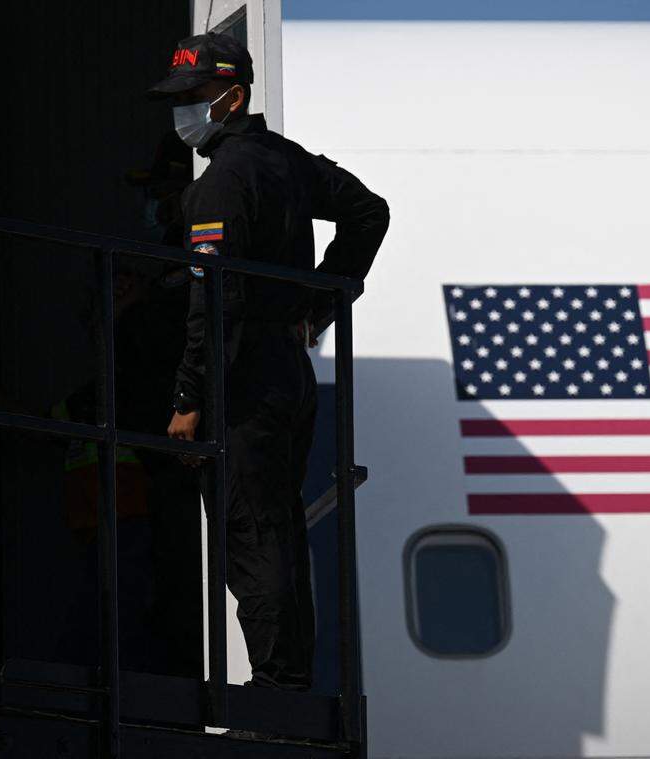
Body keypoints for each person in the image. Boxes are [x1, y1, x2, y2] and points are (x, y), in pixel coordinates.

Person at [148, 32, 389, 691]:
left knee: (251, 530)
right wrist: (320, 304)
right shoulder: (286, 160)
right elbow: (368, 213)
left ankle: (278, 684)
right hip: (287, 371)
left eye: (193, 97)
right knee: (276, 526)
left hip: (242, 375)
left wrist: (188, 398)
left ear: (232, 97)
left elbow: (213, 301)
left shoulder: (221, 184)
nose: (182, 112)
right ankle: (290, 678)